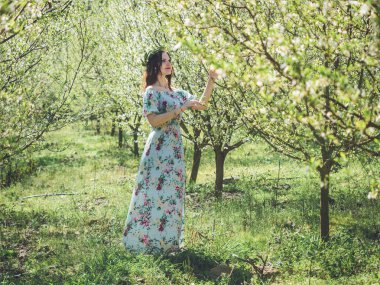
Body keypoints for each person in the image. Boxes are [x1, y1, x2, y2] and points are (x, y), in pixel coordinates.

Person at [122, 48, 218, 254]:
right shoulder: (151, 92)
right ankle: (145, 243)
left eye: (169, 60)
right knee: (152, 195)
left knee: (171, 195)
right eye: (163, 60)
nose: (168, 63)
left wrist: (211, 80)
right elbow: (153, 120)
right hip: (158, 149)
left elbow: (201, 104)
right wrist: (178, 110)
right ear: (154, 65)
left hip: (175, 151)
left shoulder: (177, 93)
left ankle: (167, 244)